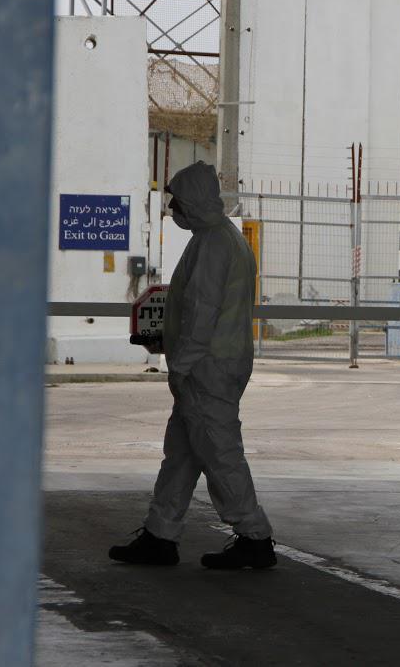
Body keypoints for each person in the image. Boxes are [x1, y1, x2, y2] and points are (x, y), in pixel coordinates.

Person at [109, 161, 275, 569]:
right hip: (214, 365)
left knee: (220, 454)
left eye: (178, 202)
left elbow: (201, 313)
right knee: (182, 454)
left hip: (205, 369)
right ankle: (159, 534)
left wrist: (180, 364)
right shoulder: (222, 239)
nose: (173, 209)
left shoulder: (213, 244)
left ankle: (255, 536)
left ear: (194, 202)